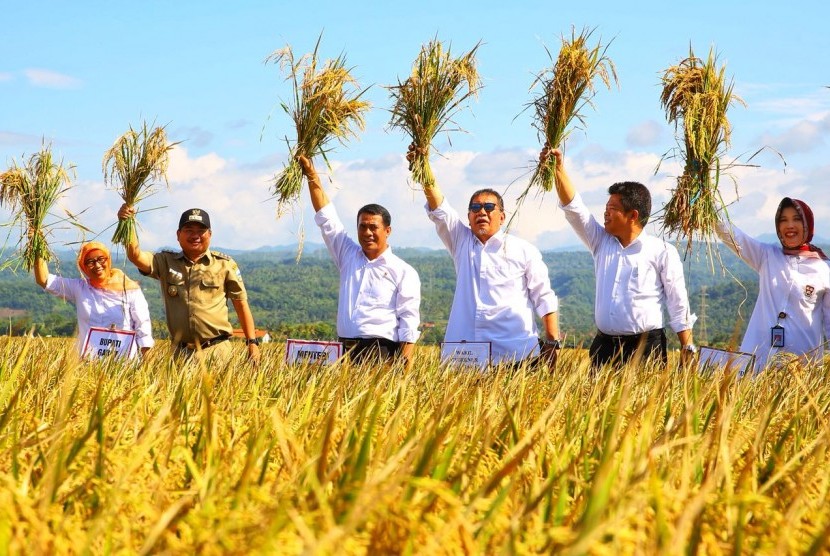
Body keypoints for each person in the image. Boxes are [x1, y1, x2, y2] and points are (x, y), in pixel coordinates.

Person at [408, 147, 561, 368]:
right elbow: (440, 208)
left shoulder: (524, 250)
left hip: (516, 354)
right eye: (475, 208)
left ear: (502, 216)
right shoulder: (461, 241)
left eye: (489, 207)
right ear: (468, 217)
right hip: (464, 355)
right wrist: (423, 167)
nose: (482, 212)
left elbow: (544, 297)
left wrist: (552, 341)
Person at [548, 148, 696, 369]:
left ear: (633, 215)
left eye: (612, 209)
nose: (605, 213)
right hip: (604, 348)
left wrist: (687, 347)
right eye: (606, 208)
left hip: (646, 349)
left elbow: (677, 302)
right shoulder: (601, 241)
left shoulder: (662, 251)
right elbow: (574, 209)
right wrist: (557, 168)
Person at [298, 155, 421, 369]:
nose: (367, 233)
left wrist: (404, 363)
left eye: (374, 227)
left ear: (387, 231)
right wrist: (311, 174)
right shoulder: (348, 255)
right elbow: (327, 218)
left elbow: (408, 319)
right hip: (342, 350)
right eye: (362, 227)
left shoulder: (403, 271)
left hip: (380, 353)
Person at [117, 205, 261, 365]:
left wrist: (252, 343)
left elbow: (241, 304)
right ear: (178, 235)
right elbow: (135, 256)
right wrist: (127, 222)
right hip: (180, 354)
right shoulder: (165, 261)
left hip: (217, 352)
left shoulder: (225, 265)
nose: (195, 235)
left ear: (210, 234)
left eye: (201, 231)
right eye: (189, 230)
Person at [716, 197, 830, 371]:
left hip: (803, 366)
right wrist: (709, 203)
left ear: (808, 224)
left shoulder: (823, 268)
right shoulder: (767, 255)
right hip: (758, 361)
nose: (789, 225)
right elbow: (730, 234)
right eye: (783, 220)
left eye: (797, 219)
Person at [34, 241, 154, 358]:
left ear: (108, 259)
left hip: (124, 364)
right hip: (88, 365)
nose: (97, 265)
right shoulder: (80, 287)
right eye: (90, 262)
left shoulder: (129, 289)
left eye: (101, 259)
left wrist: (146, 361)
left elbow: (142, 324)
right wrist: (37, 243)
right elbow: (44, 280)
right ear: (83, 267)